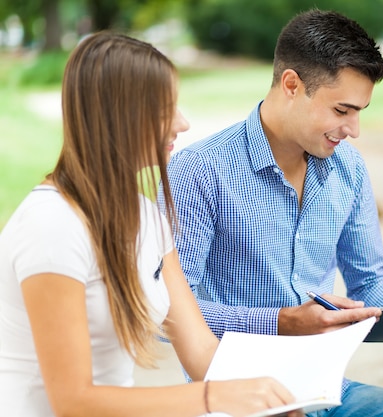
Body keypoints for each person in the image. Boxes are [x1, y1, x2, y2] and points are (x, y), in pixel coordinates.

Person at [162, 8, 383, 417]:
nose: (354, 129)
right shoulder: (198, 171)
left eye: (360, 111)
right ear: (292, 84)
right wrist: (281, 321)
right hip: (233, 397)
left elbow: (369, 283)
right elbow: (166, 313)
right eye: (342, 111)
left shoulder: (349, 167)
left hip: (326, 390)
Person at [0, 31, 300, 417]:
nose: (183, 123)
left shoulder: (147, 216)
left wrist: (284, 389)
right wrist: (212, 398)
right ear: (117, 117)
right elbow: (73, 401)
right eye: (165, 110)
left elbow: (202, 352)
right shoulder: (52, 225)